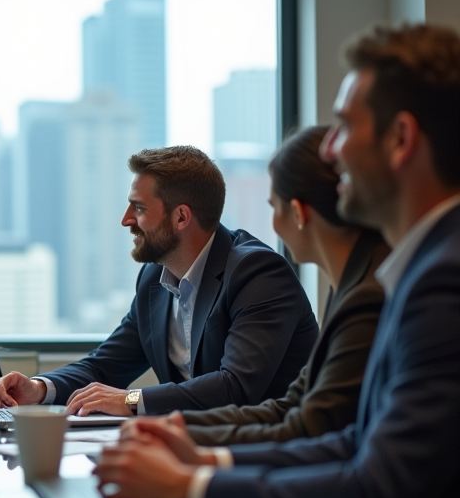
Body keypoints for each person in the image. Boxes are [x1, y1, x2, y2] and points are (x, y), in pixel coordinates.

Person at [94, 23, 460, 498]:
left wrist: (191, 486)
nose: (331, 150)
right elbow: (352, 437)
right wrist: (198, 454)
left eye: (343, 126)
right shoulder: (411, 271)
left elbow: (375, 487)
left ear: (400, 139)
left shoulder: (440, 279)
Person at [0, 145, 318, 417]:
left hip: (265, 455)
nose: (126, 220)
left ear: (181, 217)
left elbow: (235, 387)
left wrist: (130, 400)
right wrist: (40, 389)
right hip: (191, 447)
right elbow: (105, 367)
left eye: (139, 208)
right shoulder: (153, 279)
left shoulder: (257, 273)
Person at [133, 126, 389, 446]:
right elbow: (290, 406)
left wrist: (197, 462)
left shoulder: (363, 295)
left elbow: (303, 421)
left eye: (273, 206)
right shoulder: (348, 286)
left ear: (297, 213)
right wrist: (173, 430)